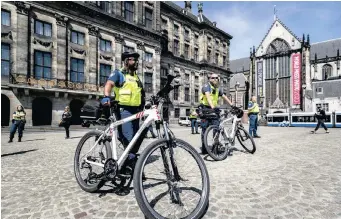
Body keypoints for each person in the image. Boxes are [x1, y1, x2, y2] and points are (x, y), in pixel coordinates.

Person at [101, 51, 147, 175]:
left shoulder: (136, 77)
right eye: (133, 60)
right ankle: (132, 166)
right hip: (123, 109)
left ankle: (129, 163)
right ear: (126, 61)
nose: (136, 62)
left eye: (137, 60)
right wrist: (106, 96)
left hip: (136, 110)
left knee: (138, 137)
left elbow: (141, 93)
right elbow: (109, 84)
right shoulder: (119, 73)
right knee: (129, 137)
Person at [199, 73, 233, 154]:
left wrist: (232, 105)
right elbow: (208, 97)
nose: (215, 79)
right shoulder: (206, 87)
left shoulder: (218, 89)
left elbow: (225, 97)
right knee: (204, 129)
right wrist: (213, 107)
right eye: (213, 78)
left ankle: (215, 147)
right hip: (205, 109)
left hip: (213, 109)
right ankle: (204, 148)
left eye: (216, 78)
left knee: (217, 129)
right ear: (209, 79)